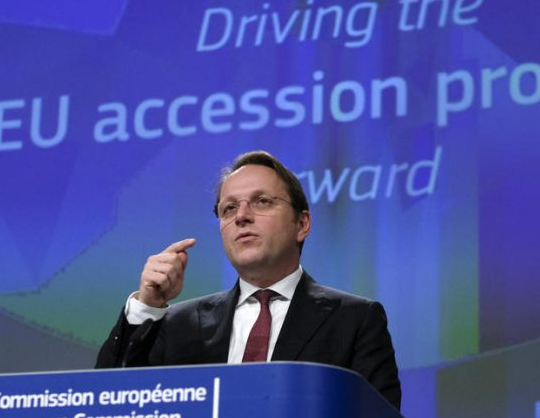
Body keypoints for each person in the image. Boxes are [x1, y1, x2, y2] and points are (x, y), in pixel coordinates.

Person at [96, 150, 401, 409]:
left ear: (301, 224)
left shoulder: (355, 320)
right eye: (229, 208)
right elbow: (110, 404)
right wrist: (148, 306)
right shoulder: (178, 325)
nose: (241, 216)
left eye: (262, 201)